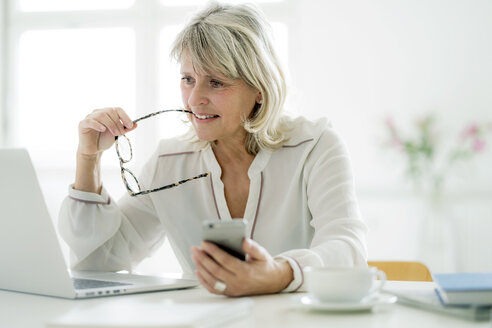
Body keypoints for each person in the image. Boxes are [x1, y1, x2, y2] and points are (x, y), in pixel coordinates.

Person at [58, 1, 367, 297]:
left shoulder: (315, 147)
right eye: (188, 79)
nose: (194, 99)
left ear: (259, 88)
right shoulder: (169, 161)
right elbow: (96, 263)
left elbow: (348, 249)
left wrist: (278, 274)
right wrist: (89, 158)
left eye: (216, 82)